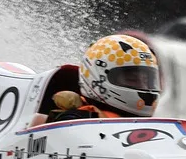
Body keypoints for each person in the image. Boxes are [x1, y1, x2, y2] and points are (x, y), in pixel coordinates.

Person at [28, 34, 162, 127]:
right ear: (97, 76)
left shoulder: (156, 125)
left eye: (148, 80)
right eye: (133, 79)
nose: (144, 86)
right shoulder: (76, 121)